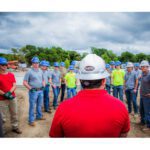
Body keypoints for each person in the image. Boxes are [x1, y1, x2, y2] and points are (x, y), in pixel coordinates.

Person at [49, 54, 130, 137]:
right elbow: (123, 134)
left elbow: (55, 136)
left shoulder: (63, 108)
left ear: (80, 80)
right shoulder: (120, 107)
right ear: (104, 81)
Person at [0, 57, 22, 134]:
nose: (4, 66)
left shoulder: (11, 75)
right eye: (2, 65)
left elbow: (14, 85)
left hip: (12, 98)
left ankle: (15, 127)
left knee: (14, 113)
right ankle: (2, 130)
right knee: (2, 117)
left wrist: (9, 93)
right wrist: (4, 94)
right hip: (2, 99)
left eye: (5, 64)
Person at [23, 56, 45, 127]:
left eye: (37, 63)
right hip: (33, 91)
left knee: (39, 104)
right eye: (34, 63)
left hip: (40, 90)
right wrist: (30, 88)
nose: (36, 64)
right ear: (32, 63)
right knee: (32, 106)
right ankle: (31, 120)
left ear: (39, 63)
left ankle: (39, 116)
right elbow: (24, 82)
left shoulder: (41, 71)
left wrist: (43, 85)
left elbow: (43, 80)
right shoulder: (29, 72)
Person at [139, 60, 150, 131]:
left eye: (143, 67)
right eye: (141, 67)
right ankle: (142, 122)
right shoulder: (142, 74)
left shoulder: (149, 75)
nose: (142, 68)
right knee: (141, 110)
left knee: (147, 112)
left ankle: (148, 126)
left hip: (147, 97)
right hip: (142, 95)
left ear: (147, 67)